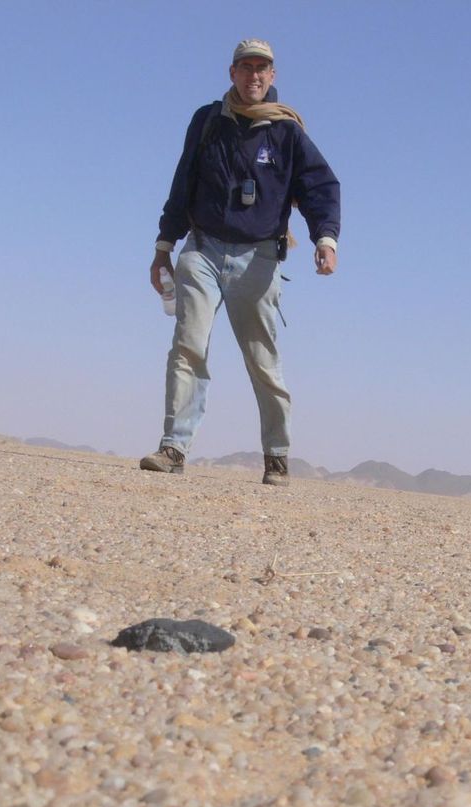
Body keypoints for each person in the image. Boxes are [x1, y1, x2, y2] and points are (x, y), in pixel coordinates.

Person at [140, 38, 341, 486]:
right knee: (188, 343)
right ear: (231, 73)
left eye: (262, 69)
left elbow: (320, 187)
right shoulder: (208, 121)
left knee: (262, 359)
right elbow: (182, 182)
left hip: (259, 257)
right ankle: (174, 446)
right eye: (245, 67)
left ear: (272, 77)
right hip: (204, 249)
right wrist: (163, 246)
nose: (253, 75)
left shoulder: (287, 132)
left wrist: (325, 238)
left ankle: (277, 455)